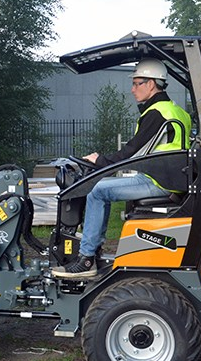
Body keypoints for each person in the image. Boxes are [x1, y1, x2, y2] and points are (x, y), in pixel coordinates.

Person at [52, 58, 191, 278]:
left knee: (97, 191)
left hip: (158, 182)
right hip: (170, 179)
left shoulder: (156, 113)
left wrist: (99, 161)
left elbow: (131, 151)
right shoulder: (176, 111)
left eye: (137, 83)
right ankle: (93, 250)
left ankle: (87, 258)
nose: (132, 89)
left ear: (152, 84)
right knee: (101, 186)